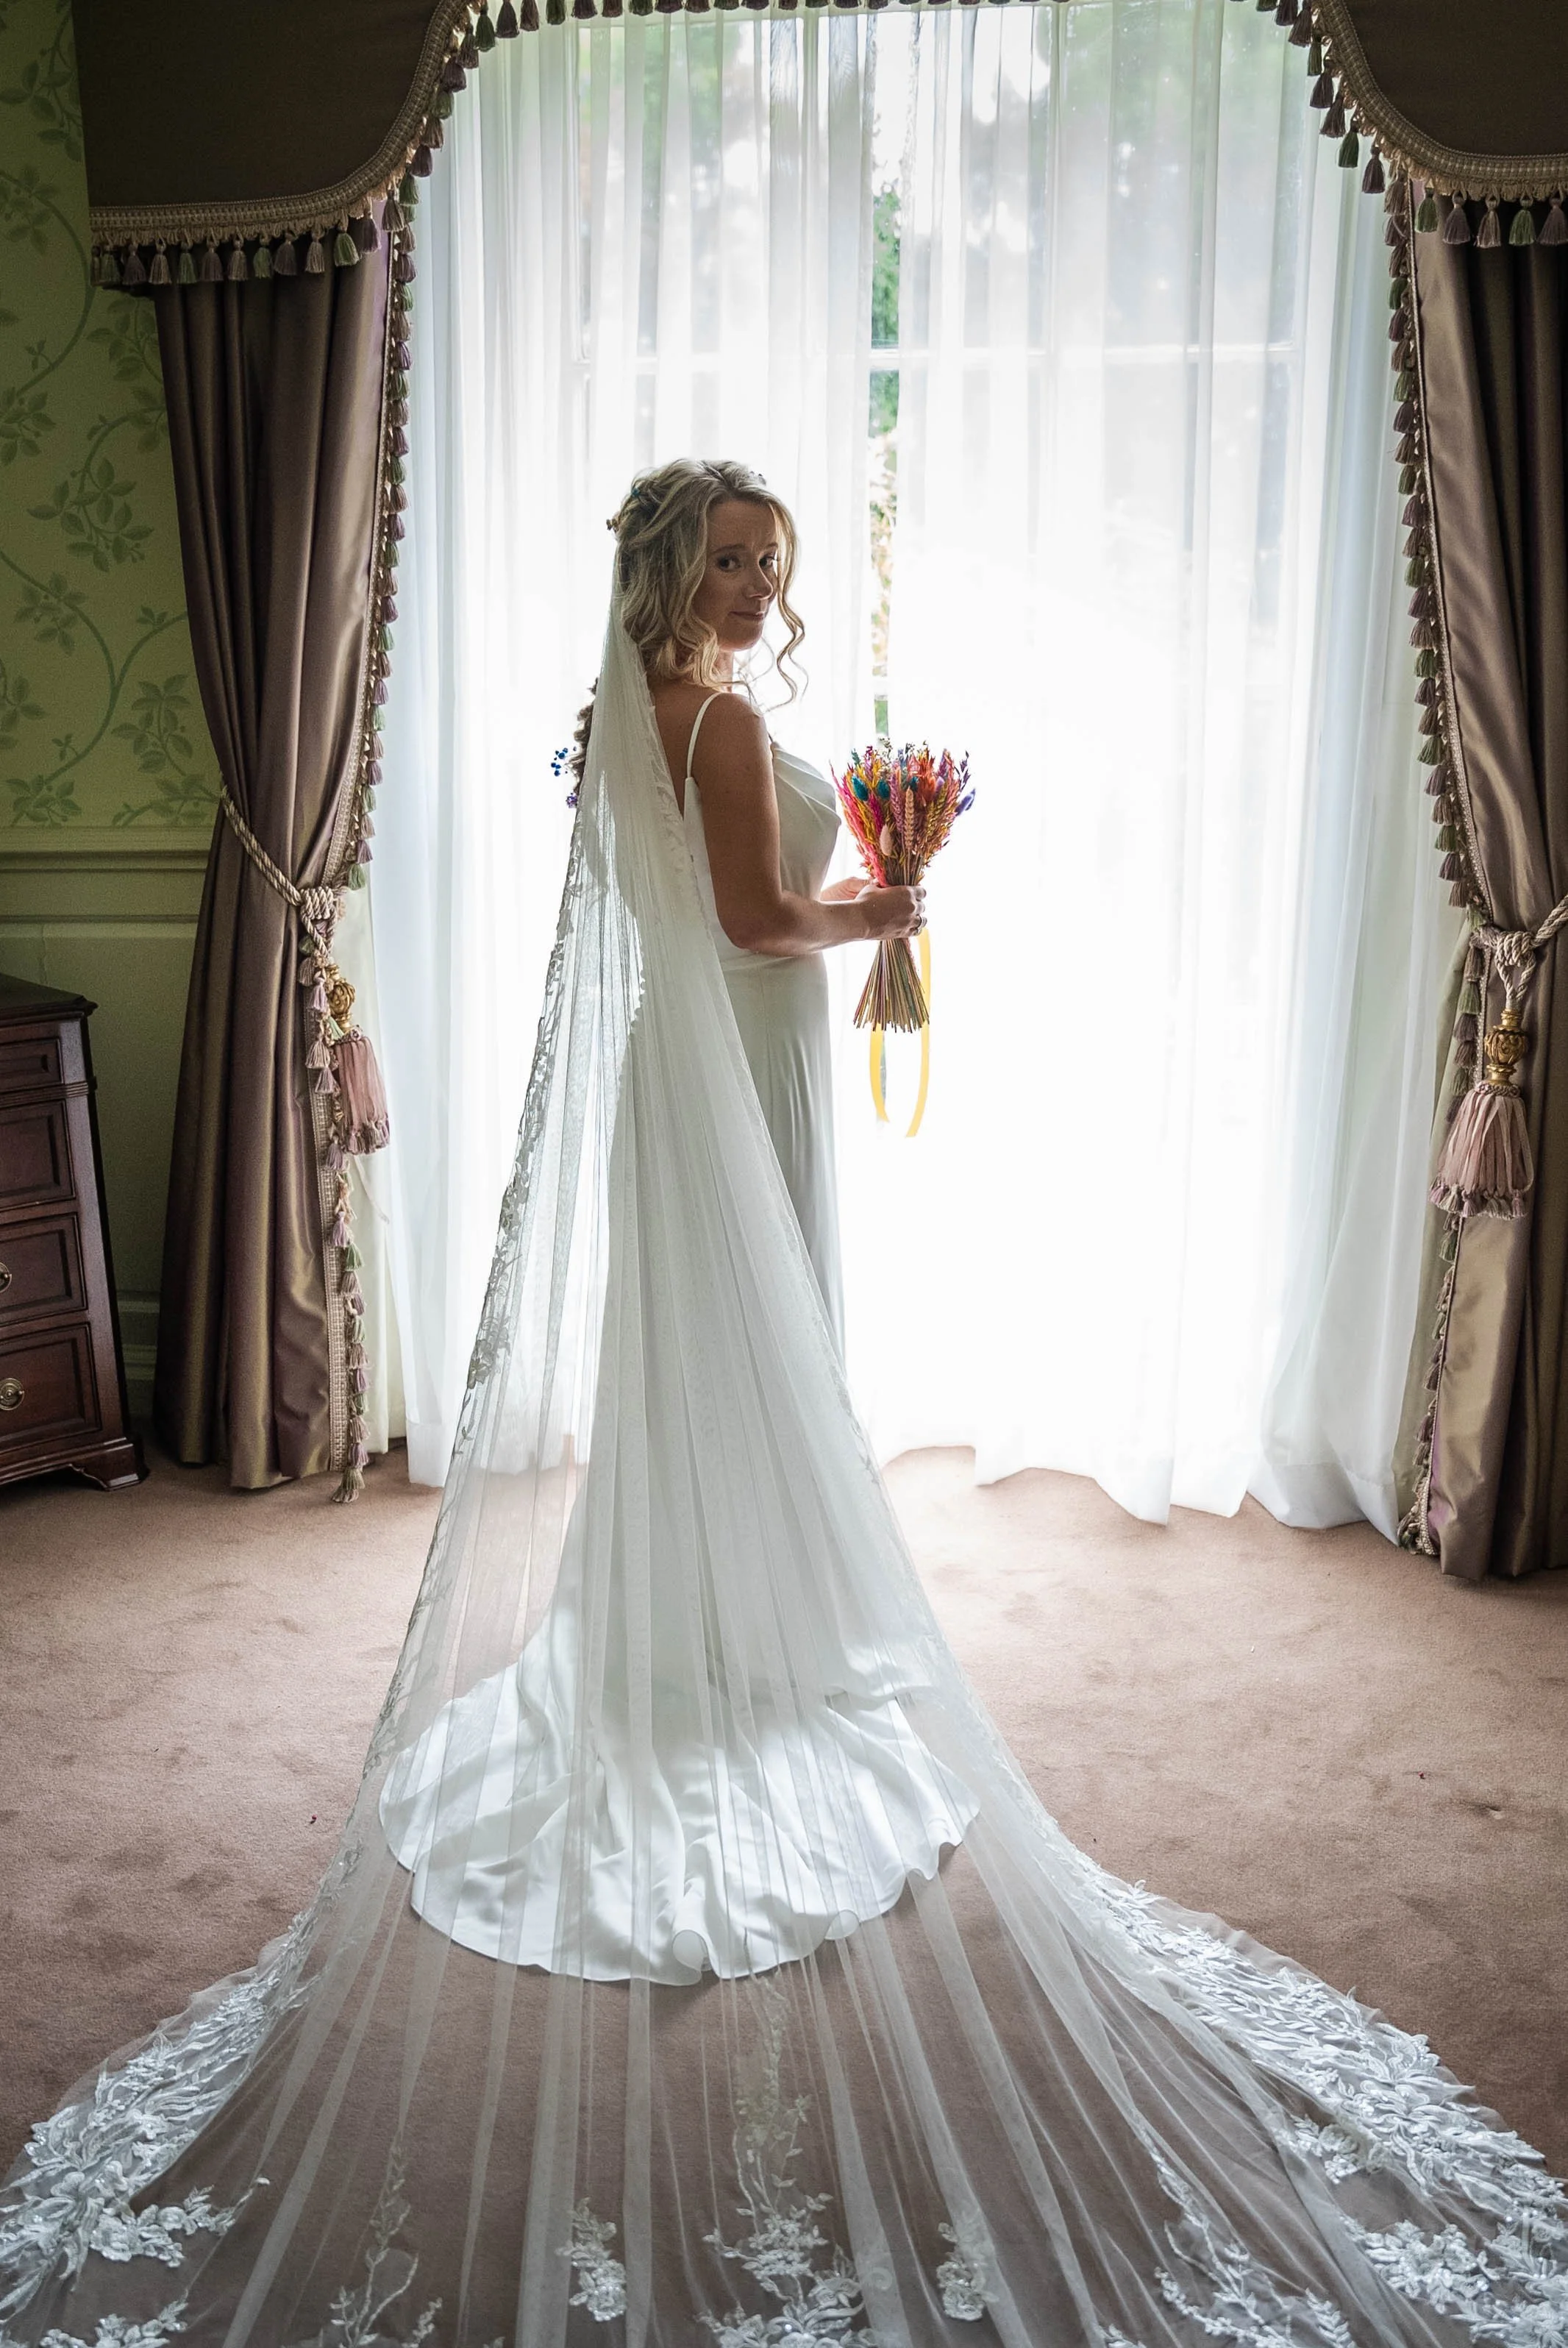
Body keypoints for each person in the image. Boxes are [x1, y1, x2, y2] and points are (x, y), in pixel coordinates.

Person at [1, 458, 1561, 2348]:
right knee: (759, 1341)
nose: (754, 588)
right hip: (741, 1062)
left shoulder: (624, 710)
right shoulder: (722, 720)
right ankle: (752, 1638)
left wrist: (842, 909)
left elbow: (670, 908)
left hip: (687, 1075)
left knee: (700, 1356)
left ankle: (696, 1617)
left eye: (771, 563)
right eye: (730, 560)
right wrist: (879, 910)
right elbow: (751, 925)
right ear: (671, 565)